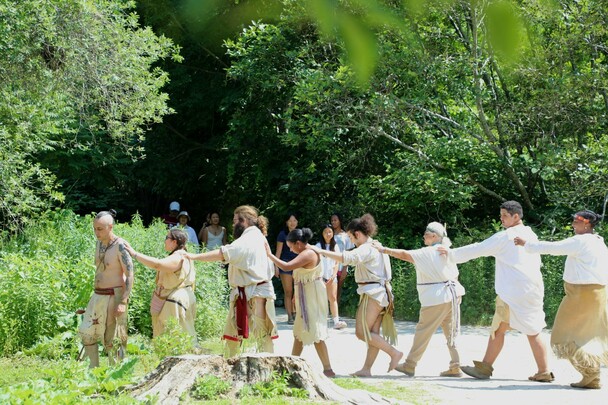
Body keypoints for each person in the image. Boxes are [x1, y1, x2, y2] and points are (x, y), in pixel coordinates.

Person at [439, 201, 553, 382]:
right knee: (531, 329)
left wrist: (450, 253)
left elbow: (478, 249)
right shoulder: (530, 234)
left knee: (499, 329)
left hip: (513, 292)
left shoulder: (506, 237)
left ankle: (485, 369)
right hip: (533, 289)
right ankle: (543, 371)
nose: (501, 220)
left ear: (516, 216)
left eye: (505, 216)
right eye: (501, 216)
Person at [514, 210, 608, 389]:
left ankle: (591, 374)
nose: (573, 224)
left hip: (581, 295)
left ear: (587, 224)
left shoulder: (580, 241)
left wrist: (527, 244)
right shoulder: (599, 242)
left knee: (564, 336)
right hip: (598, 293)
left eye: (576, 221)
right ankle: (591, 375)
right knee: (587, 336)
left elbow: (553, 248)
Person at [310, 213, 403, 377]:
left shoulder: (367, 248)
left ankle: (394, 353)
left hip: (373, 293)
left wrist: (320, 251)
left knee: (362, 333)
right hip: (381, 293)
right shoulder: (376, 245)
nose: (351, 242)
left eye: (352, 238)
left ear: (357, 234)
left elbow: (347, 258)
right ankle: (366, 369)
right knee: (373, 333)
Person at [374, 222, 465, 377]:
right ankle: (456, 365)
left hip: (436, 298)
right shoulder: (446, 251)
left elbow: (403, 254)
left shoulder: (429, 252)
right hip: (452, 296)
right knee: (451, 332)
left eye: (426, 233)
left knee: (423, 332)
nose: (423, 236)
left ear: (434, 236)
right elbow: (455, 275)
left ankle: (410, 365)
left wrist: (383, 250)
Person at [186, 205, 277, 356]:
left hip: (255, 293)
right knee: (236, 332)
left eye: (235, 221)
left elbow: (224, 253)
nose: (233, 224)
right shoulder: (256, 236)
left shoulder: (250, 238)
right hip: (249, 291)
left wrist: (194, 257)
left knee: (261, 333)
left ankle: (267, 367)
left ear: (245, 221)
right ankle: (231, 362)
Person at [267, 228, 336, 377]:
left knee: (315, 331)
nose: (291, 250)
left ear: (298, 243)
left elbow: (286, 267)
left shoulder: (308, 253)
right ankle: (291, 364)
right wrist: (295, 297)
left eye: (291, 246)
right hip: (306, 294)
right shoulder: (309, 250)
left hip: (312, 297)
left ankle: (328, 369)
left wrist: (269, 255)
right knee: (299, 331)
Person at [79, 210, 133, 368]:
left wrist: (123, 301)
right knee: (87, 333)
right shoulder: (98, 243)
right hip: (98, 296)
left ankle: (116, 375)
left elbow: (130, 274)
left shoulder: (120, 246)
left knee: (113, 338)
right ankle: (93, 370)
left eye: (100, 229)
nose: (96, 232)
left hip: (113, 296)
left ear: (111, 227)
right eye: (95, 228)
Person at [124, 228, 197, 343]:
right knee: (182, 335)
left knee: (173, 337)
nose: (165, 241)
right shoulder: (183, 255)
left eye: (167, 238)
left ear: (174, 242)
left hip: (174, 301)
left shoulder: (178, 256)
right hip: (180, 298)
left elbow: (158, 265)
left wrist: (134, 254)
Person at [315, 224, 347, 329]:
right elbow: (316, 263)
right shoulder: (318, 246)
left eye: (330, 232)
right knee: (320, 299)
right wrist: (319, 277)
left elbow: (337, 263)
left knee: (333, 298)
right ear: (322, 233)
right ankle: (320, 321)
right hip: (320, 277)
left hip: (332, 277)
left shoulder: (335, 246)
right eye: (326, 232)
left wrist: (334, 276)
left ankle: (336, 321)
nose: (328, 234)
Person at [275, 213, 299, 324]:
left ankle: (296, 313)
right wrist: (276, 267)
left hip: (298, 264)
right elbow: (278, 253)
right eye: (290, 220)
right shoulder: (282, 234)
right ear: (286, 222)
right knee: (288, 291)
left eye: (294, 220)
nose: (292, 223)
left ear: (297, 222)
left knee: (298, 291)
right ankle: (289, 316)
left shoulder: (300, 234)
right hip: (285, 265)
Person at [331, 213, 354, 305]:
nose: (333, 222)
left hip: (342, 265)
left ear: (340, 221)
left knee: (338, 288)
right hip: (331, 265)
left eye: (335, 220)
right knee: (330, 287)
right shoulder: (329, 234)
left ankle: (336, 310)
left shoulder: (345, 235)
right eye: (332, 220)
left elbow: (348, 252)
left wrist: (345, 268)